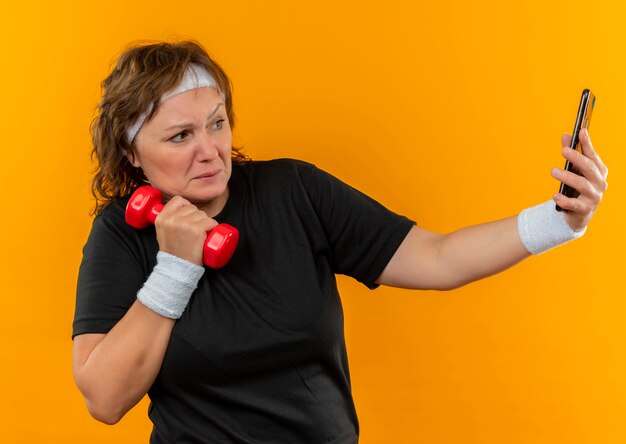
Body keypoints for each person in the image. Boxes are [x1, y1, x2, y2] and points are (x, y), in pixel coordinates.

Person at [72, 40, 608, 443]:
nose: (210, 150)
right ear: (133, 154)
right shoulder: (122, 233)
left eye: (216, 124)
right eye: (180, 136)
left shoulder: (294, 191)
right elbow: (104, 398)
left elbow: (437, 258)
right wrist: (174, 268)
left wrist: (559, 221)